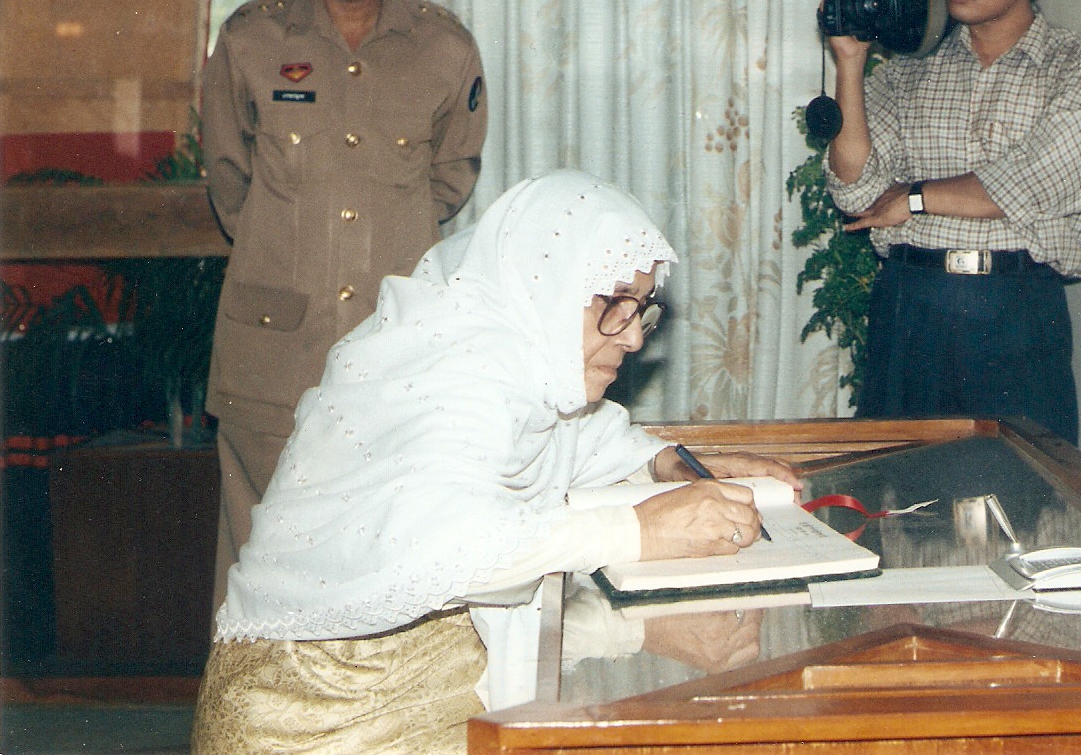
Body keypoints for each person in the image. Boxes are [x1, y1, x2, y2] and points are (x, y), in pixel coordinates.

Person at [191, 170, 799, 754]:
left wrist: (672, 463)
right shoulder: (454, 376)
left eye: (641, 308)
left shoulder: (513, 361)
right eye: (615, 305)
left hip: (426, 671)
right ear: (548, 286)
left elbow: (585, 438)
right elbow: (460, 551)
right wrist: (642, 530)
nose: (635, 337)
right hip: (316, 712)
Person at [201, 0, 489, 611]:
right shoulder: (251, 41)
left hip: (389, 354)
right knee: (258, 562)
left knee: (382, 555)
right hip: (273, 347)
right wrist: (285, 244)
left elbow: (451, 178)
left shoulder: (443, 47)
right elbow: (229, 182)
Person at [821, 0, 1081, 445]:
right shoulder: (911, 69)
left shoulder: (1076, 65)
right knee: (898, 505)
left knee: (1020, 507)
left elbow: (1038, 181)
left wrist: (913, 198)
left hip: (1015, 312)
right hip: (909, 306)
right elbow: (857, 192)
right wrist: (851, 65)